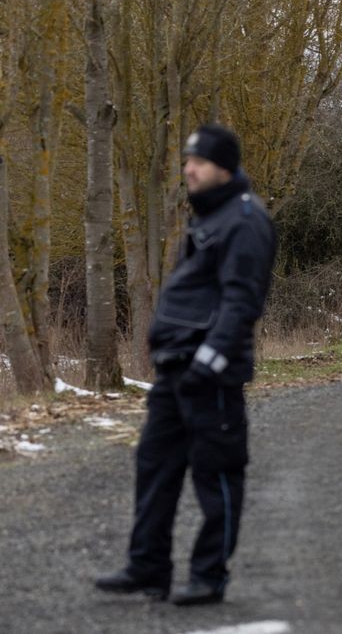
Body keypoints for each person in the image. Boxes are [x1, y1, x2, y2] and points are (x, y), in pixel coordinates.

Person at [94, 124, 277, 606]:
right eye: (186, 161)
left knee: (216, 473)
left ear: (223, 167)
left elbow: (242, 302)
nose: (188, 169)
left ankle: (208, 576)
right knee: (155, 466)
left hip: (210, 374)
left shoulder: (245, 221)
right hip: (174, 371)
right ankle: (148, 567)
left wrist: (209, 358)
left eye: (197, 161)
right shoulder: (207, 218)